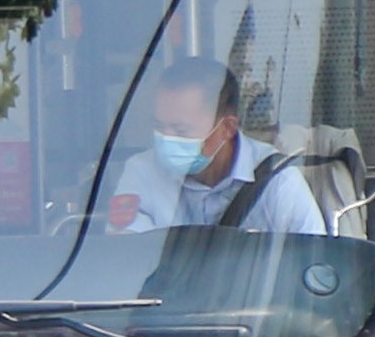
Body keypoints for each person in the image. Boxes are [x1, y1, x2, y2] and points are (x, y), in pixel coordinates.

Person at [100, 53, 327, 238]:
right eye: (159, 127)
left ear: (227, 128)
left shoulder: (278, 182)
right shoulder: (141, 172)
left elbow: (314, 263)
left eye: (181, 130)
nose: (166, 139)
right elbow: (125, 256)